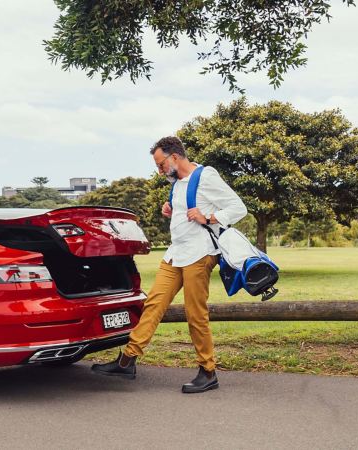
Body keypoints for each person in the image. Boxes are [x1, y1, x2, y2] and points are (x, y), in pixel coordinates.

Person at [91, 136, 247, 393]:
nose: (159, 170)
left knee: (195, 314)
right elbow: (184, 213)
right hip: (176, 254)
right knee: (153, 304)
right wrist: (170, 209)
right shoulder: (175, 183)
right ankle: (127, 360)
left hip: (199, 254)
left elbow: (237, 207)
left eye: (160, 164)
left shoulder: (205, 176)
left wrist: (209, 217)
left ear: (175, 157)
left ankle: (208, 372)